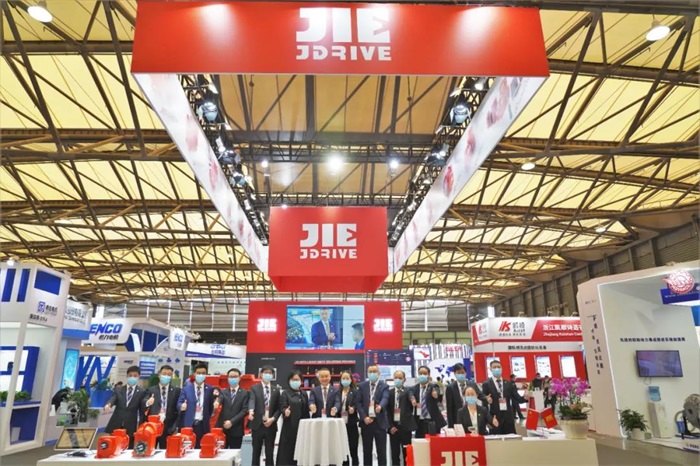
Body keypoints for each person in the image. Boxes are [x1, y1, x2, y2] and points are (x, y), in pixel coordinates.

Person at [177, 363, 220, 447]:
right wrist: (181, 406)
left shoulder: (210, 389)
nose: (201, 375)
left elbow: (210, 407)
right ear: (194, 374)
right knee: (187, 448)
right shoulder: (186, 389)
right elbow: (179, 403)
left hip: (203, 425)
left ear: (206, 375)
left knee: (201, 447)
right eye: (198, 373)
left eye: (203, 373)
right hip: (189, 424)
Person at [480, 360, 528, 435]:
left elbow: (517, 398)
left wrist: (524, 398)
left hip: (508, 417)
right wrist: (487, 420)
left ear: (501, 368)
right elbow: (484, 404)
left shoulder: (508, 383)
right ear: (490, 369)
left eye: (498, 367)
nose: (497, 369)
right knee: (496, 440)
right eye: (494, 367)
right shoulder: (486, 384)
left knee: (511, 438)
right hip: (495, 418)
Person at [104, 366, 147, 448]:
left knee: (129, 448)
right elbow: (113, 398)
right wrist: (108, 404)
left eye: (135, 376)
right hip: (116, 423)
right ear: (127, 376)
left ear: (138, 377)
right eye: (130, 375)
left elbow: (142, 407)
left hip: (131, 425)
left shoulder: (142, 392)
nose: (132, 377)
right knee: (113, 446)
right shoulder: (119, 389)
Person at [356, 365, 389, 466]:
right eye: (370, 372)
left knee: (381, 452)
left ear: (379, 373)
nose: (372, 373)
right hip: (366, 423)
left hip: (380, 423)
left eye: (374, 371)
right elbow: (358, 402)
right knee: (367, 451)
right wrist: (364, 417)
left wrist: (381, 406)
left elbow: (385, 398)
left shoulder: (384, 386)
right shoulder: (362, 386)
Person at [248, 366, 281, 466]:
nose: (268, 374)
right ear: (261, 374)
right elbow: (252, 400)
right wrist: (251, 411)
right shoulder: (254, 388)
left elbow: (279, 408)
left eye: (270, 373)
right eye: (266, 372)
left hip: (271, 425)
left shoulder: (276, 390)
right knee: (256, 453)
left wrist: (273, 419)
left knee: (270, 453)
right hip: (257, 425)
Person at [143, 364, 181, 448]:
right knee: (150, 449)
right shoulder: (151, 390)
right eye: (164, 374)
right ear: (159, 374)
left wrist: (175, 427)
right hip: (153, 427)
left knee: (166, 452)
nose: (166, 376)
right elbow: (144, 402)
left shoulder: (176, 391)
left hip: (169, 428)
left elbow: (178, 411)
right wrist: (148, 402)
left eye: (169, 374)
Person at [276, 370, 309, 466]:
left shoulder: (304, 393)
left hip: (302, 427)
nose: (295, 381)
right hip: (289, 427)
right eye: (293, 379)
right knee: (288, 451)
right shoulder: (285, 393)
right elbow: (282, 407)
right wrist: (285, 411)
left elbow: (306, 410)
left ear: (301, 381)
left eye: (297, 379)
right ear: (289, 381)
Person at [216, 368, 249, 449]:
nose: (233, 379)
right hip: (222, 428)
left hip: (237, 429)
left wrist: (231, 422)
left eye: (235, 376)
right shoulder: (223, 392)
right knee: (221, 453)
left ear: (239, 378)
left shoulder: (245, 393)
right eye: (231, 377)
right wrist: (217, 402)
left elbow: (245, 410)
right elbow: (220, 399)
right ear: (227, 378)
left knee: (235, 453)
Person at [445, 362, 486, 428]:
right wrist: (451, 426)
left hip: (472, 416)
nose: (461, 374)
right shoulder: (450, 388)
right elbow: (449, 408)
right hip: (457, 418)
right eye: (458, 373)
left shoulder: (472, 384)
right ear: (454, 373)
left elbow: (480, 394)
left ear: (465, 373)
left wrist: (486, 398)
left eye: (462, 372)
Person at [388, 370, 416, 466]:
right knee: (394, 454)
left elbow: (411, 396)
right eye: (396, 377)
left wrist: (413, 400)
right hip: (393, 428)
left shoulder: (408, 391)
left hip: (405, 428)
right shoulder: (390, 393)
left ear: (404, 379)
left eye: (400, 378)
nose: (398, 380)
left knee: (406, 453)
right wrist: (390, 426)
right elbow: (387, 412)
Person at [411, 365, 446, 438]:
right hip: (419, 421)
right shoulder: (414, 388)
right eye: (420, 374)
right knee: (420, 442)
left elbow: (438, 395)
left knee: (433, 442)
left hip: (432, 421)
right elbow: (410, 396)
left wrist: (436, 395)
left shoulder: (434, 386)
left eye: (424, 373)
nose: (422, 375)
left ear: (428, 375)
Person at [335, 371, 360, 466]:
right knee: (342, 450)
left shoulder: (355, 392)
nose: (345, 380)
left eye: (347, 378)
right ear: (340, 380)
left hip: (351, 424)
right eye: (343, 378)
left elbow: (358, 403)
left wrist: (353, 408)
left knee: (353, 449)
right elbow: (336, 403)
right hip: (340, 424)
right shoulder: (337, 392)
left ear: (351, 380)